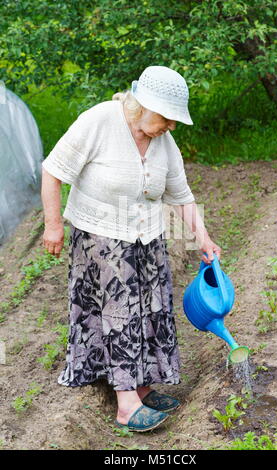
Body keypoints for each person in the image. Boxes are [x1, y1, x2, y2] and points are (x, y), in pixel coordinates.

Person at [41, 65, 221, 433]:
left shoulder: (163, 142)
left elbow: (181, 196)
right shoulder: (99, 121)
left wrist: (203, 237)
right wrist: (54, 225)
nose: (171, 127)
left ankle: (142, 386)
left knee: (152, 311)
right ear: (143, 106)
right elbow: (53, 171)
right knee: (119, 314)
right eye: (167, 119)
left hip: (147, 239)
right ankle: (125, 404)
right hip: (101, 238)